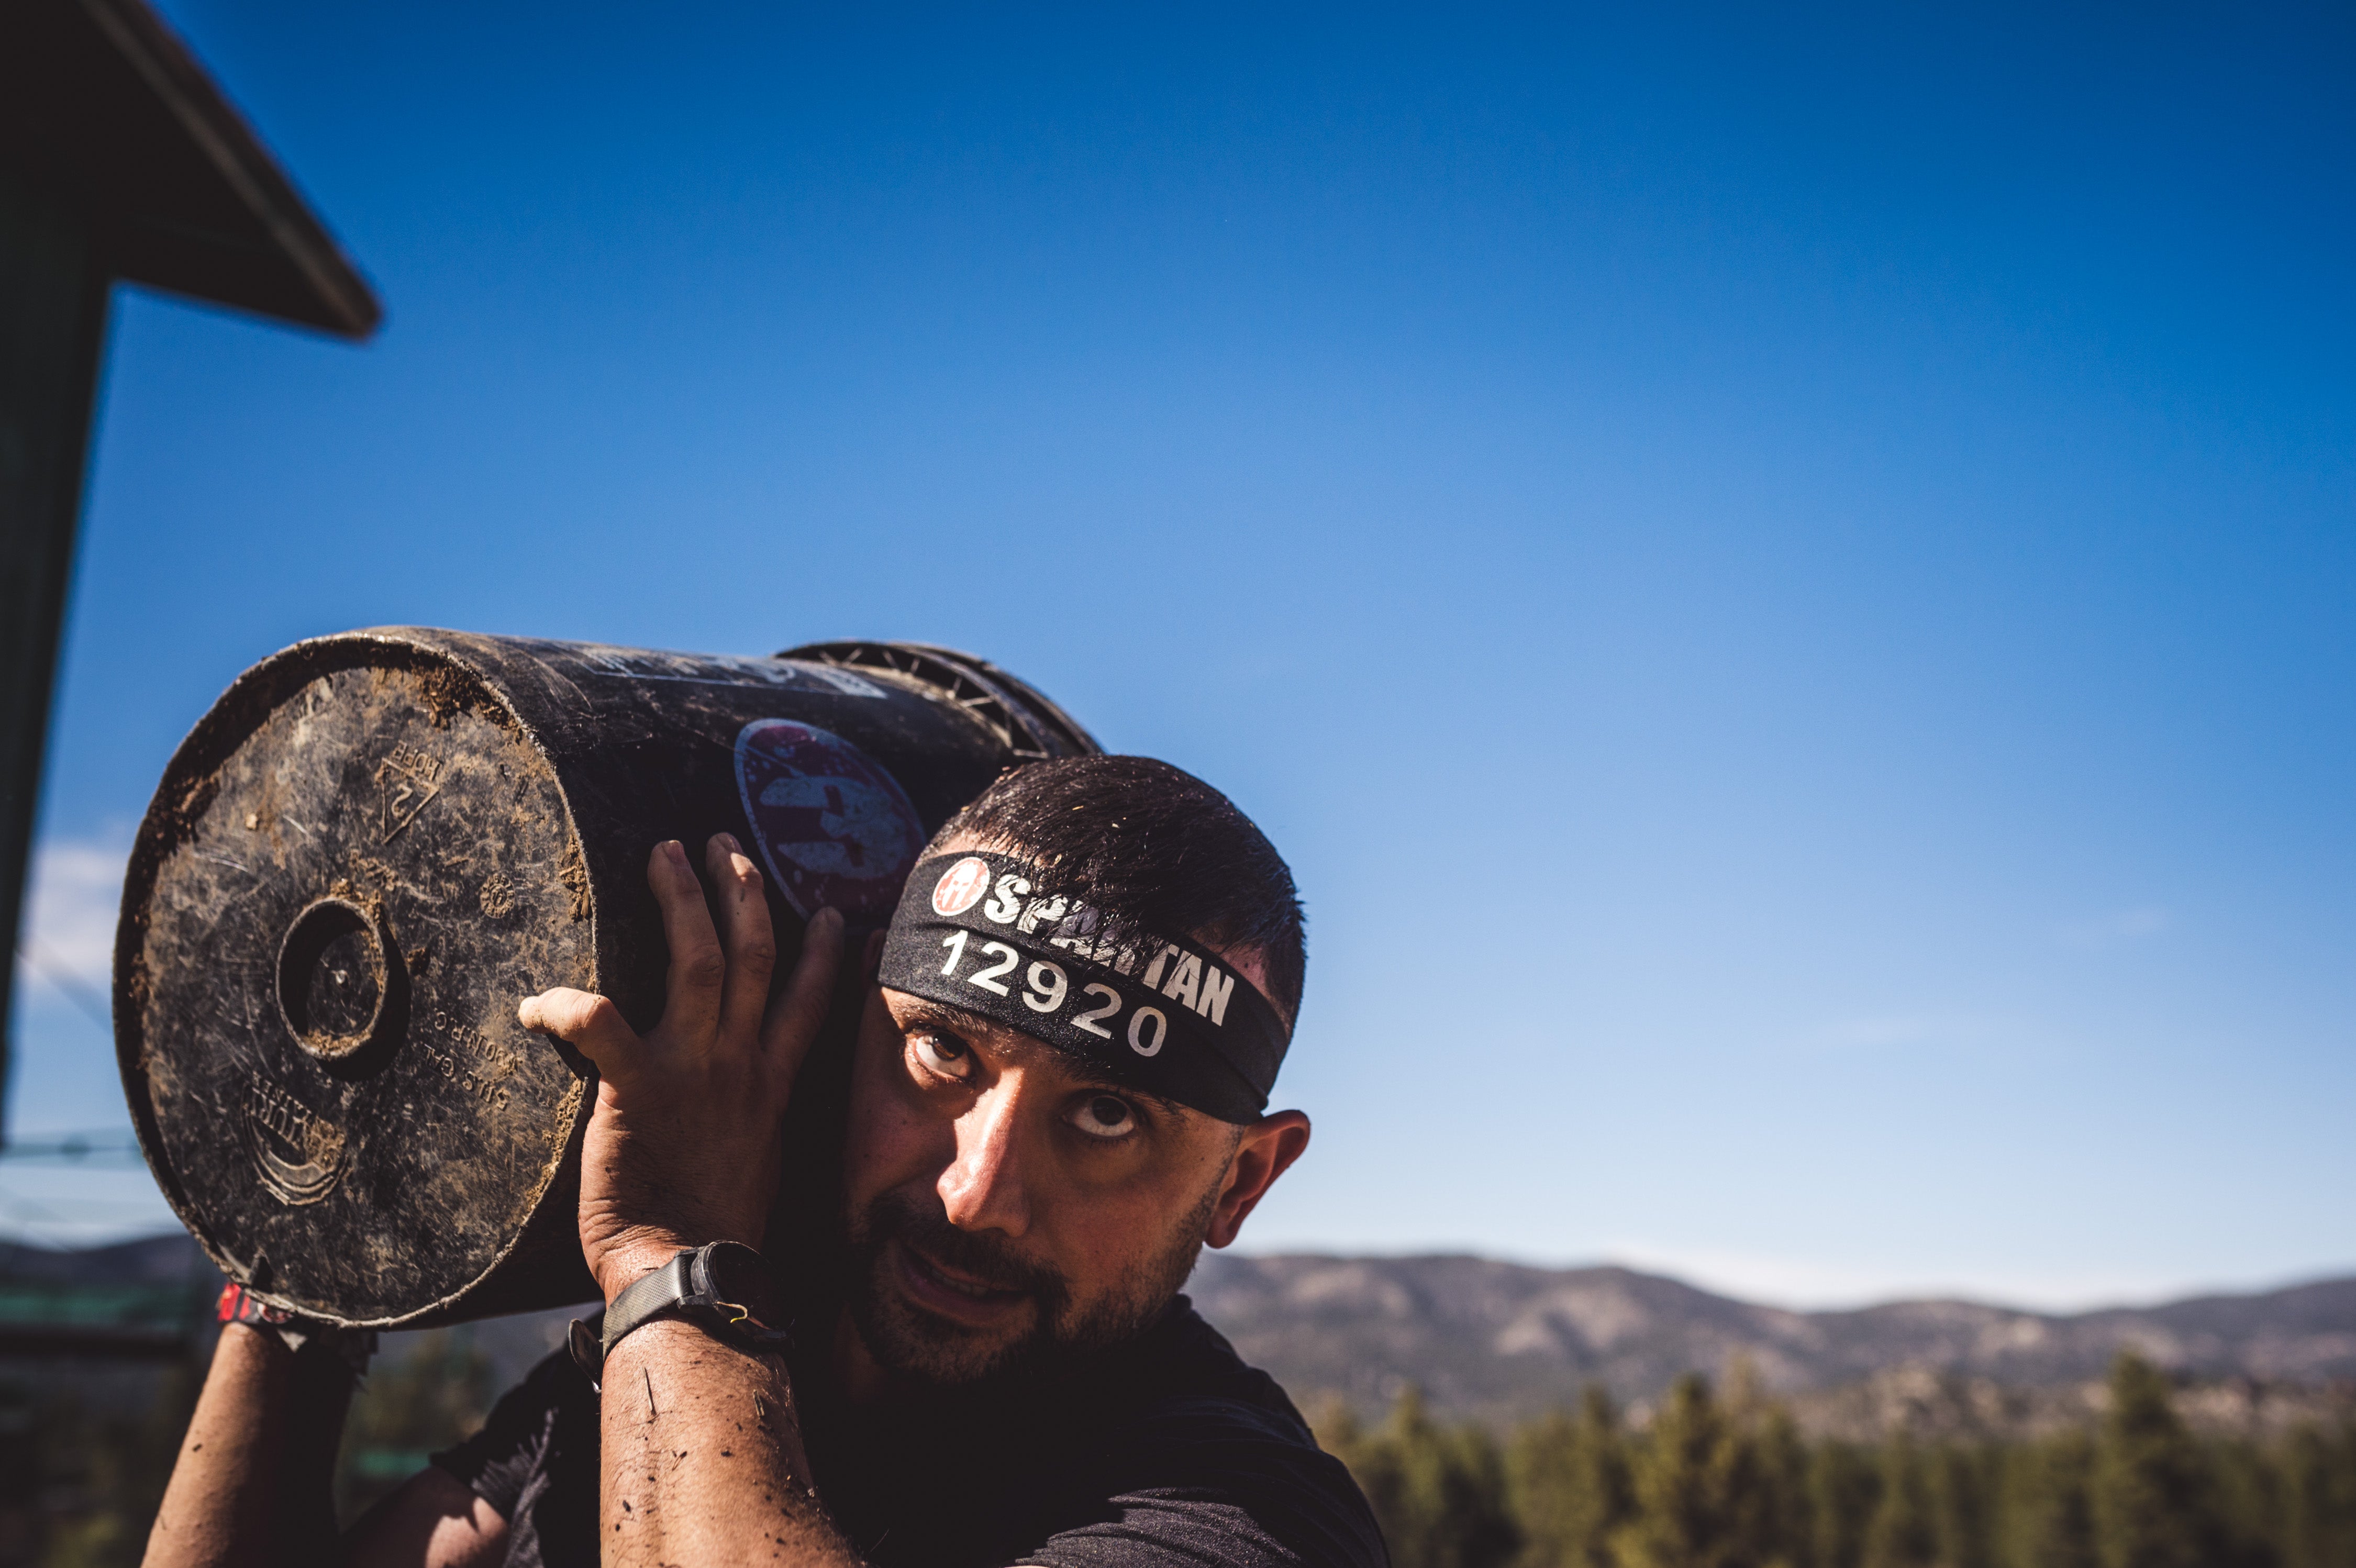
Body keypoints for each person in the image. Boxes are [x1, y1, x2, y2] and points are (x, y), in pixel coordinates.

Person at [145, 755, 1386, 1568]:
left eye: (1107, 1116)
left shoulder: (1235, 1519)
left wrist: (671, 1265)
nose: (974, 1193)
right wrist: (296, 1250)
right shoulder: (725, 1356)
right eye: (941, 1053)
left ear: (1241, 1181)